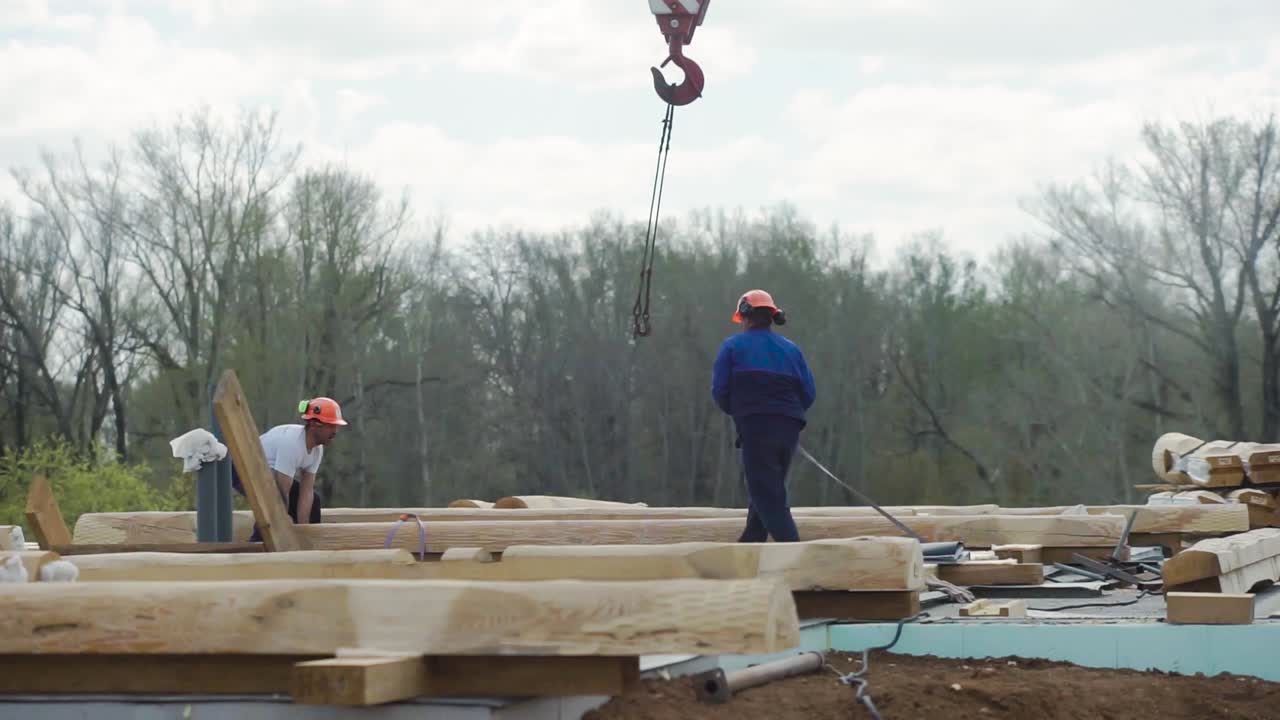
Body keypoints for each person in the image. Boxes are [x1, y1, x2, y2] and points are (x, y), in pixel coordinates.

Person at [711, 289, 816, 543]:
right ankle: (749, 546)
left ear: (745, 317)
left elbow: (720, 391)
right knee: (767, 490)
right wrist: (786, 417)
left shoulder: (733, 347)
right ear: (771, 317)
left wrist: (743, 413)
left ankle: (795, 556)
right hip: (789, 427)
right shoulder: (792, 350)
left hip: (756, 426)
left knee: (767, 494)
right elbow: (808, 393)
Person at [231, 397, 347, 539]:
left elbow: (306, 492)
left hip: (269, 475)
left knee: (313, 502)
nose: (335, 431)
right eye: (331, 426)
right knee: (273, 507)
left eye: (336, 426)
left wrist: (303, 530)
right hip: (242, 469)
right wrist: (282, 523)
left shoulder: (317, 450)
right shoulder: (292, 443)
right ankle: (258, 549)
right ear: (314, 424)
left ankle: (307, 550)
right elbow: (282, 491)